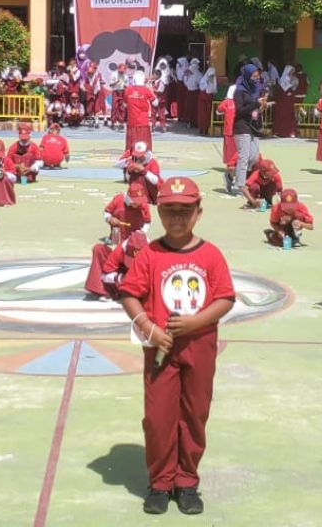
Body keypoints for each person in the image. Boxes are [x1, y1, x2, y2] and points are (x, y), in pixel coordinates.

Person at [117, 176, 234, 515]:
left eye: (186, 210)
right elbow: (129, 294)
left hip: (199, 346)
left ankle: (186, 481)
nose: (177, 218)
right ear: (159, 211)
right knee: (158, 417)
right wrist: (148, 328)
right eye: (169, 210)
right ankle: (160, 481)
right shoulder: (150, 254)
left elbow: (225, 298)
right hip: (160, 350)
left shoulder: (210, 254)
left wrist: (196, 322)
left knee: (194, 414)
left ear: (199, 212)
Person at [84, 231, 148, 301]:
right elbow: (105, 274)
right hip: (122, 276)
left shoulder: (152, 253)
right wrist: (119, 278)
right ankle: (109, 292)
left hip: (140, 281)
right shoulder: (119, 251)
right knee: (98, 249)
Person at [233, 65, 264, 190]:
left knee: (253, 158)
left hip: (253, 126)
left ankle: (231, 175)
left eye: (258, 76)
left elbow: (255, 108)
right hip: (241, 126)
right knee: (244, 158)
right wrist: (256, 104)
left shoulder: (256, 89)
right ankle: (240, 186)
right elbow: (239, 111)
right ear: (247, 76)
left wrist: (261, 106)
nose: (256, 79)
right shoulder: (239, 91)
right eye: (254, 76)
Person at [272, 65, 299, 138]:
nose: (292, 73)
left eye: (293, 72)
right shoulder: (282, 79)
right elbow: (282, 90)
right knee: (281, 116)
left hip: (289, 102)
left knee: (290, 116)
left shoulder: (293, 79)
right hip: (282, 102)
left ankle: (290, 132)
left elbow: (295, 87)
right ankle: (279, 132)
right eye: (290, 72)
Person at [196, 63, 217, 136]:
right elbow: (202, 87)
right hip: (202, 98)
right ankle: (201, 128)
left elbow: (214, 90)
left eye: (212, 76)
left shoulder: (214, 80)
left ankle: (206, 129)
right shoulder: (203, 80)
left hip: (209, 98)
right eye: (210, 76)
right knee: (202, 113)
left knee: (208, 114)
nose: (211, 77)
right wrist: (207, 83)